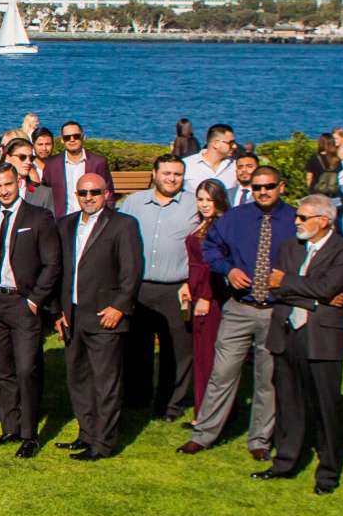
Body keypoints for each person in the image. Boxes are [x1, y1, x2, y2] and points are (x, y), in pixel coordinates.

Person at [254, 192, 343, 491]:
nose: (296, 222)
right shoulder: (290, 247)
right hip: (287, 333)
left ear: (324, 221)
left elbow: (327, 286)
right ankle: (285, 461)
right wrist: (315, 299)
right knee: (289, 403)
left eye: (302, 217)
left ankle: (327, 472)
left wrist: (288, 283)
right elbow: (271, 287)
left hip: (321, 338)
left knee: (325, 407)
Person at [193, 166, 293, 461]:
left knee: (267, 377)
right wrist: (229, 270)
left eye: (269, 186)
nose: (263, 191)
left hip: (275, 310)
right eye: (257, 187)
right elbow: (210, 249)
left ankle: (260, 439)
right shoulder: (236, 218)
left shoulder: (293, 220)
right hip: (240, 307)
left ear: (281, 186)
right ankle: (204, 434)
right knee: (222, 373)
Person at [0, 162, 61, 458]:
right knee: (4, 369)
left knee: (26, 369)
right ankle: (10, 428)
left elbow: (52, 263)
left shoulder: (38, 217)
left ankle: (30, 434)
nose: (3, 191)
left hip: (24, 303)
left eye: (7, 184)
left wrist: (35, 299)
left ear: (18, 183)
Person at [56, 173, 141, 461]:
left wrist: (119, 306)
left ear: (107, 194)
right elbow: (61, 272)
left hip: (106, 316)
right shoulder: (66, 224)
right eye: (83, 193)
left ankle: (103, 443)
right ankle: (86, 432)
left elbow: (132, 272)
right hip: (73, 316)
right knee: (78, 378)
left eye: (94, 192)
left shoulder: (123, 225)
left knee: (105, 382)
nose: (88, 197)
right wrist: (59, 311)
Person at [120, 154, 196, 421]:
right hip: (139, 286)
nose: (172, 179)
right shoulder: (134, 202)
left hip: (176, 288)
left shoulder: (193, 204)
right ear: (154, 173)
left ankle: (171, 404)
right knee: (136, 347)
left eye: (177, 174)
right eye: (166, 173)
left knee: (176, 350)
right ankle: (136, 398)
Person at [176, 181, 231, 449]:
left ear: (220, 200)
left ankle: (210, 416)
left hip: (211, 296)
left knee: (211, 358)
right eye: (200, 199)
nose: (204, 204)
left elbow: (216, 266)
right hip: (195, 290)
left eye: (209, 199)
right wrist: (187, 285)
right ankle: (202, 411)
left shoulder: (221, 227)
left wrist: (207, 297)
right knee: (200, 356)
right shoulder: (201, 224)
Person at [41, 121, 110, 218]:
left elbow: (108, 193)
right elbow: (45, 194)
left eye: (76, 136)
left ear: (83, 137)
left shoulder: (98, 162)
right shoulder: (51, 164)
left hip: (92, 219)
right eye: (67, 137)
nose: (72, 140)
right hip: (60, 221)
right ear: (62, 140)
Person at [181, 122, 239, 200]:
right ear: (215, 143)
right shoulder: (187, 165)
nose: (235, 146)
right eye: (230, 143)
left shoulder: (235, 166)